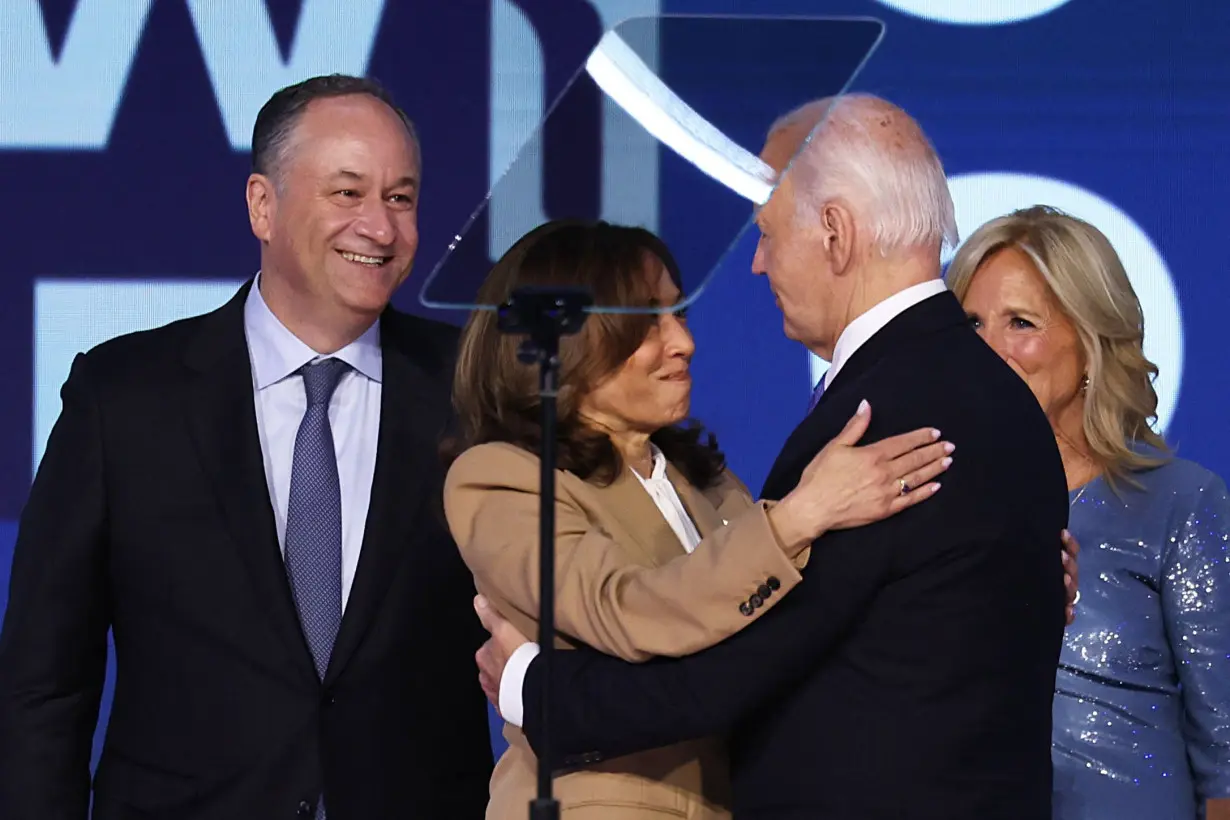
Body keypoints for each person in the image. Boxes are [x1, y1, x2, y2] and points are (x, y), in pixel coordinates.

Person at [471, 94, 1081, 819]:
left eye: (767, 232)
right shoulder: (999, 398)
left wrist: (532, 689)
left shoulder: (873, 425)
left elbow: (734, 671)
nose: (757, 264)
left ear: (835, 233)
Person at [0, 75, 493, 819]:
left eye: (400, 198)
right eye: (347, 193)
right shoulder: (125, 397)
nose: (381, 229)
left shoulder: (477, 390)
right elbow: (44, 680)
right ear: (263, 204)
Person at [445, 219, 955, 818]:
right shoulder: (500, 477)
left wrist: (981, 566)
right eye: (644, 324)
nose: (682, 343)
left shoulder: (704, 479)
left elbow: (800, 616)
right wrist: (798, 518)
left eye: (677, 315)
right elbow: (623, 610)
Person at [947, 205, 1230, 820]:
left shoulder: (1181, 505)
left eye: (1020, 323)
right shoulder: (929, 508)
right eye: (970, 325)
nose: (988, 350)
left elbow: (1226, 757)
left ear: (1092, 339)